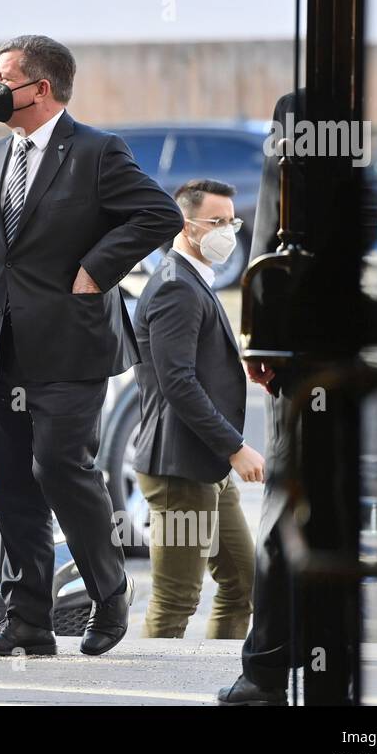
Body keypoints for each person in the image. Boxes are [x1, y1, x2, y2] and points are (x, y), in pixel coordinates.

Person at [0, 35, 183, 657]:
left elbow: (160, 215)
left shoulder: (98, 151)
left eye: (5, 77)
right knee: (11, 481)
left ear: (41, 89)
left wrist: (97, 268)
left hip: (71, 346)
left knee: (58, 465)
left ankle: (109, 593)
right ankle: (28, 617)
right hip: (1, 347)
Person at [132, 179, 262, 641]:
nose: (227, 231)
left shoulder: (192, 280)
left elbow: (196, 364)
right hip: (179, 470)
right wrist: (236, 448)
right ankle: (149, 694)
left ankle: (219, 676)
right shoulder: (176, 288)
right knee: (176, 600)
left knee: (243, 584)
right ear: (186, 226)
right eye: (217, 222)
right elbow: (178, 383)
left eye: (232, 221)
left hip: (204, 465)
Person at [217, 90, 303, 705]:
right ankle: (280, 665)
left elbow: (273, 230)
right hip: (325, 349)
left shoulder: (307, 110)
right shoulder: (306, 113)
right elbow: (272, 227)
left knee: (292, 503)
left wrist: (263, 341)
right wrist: (264, 341)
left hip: (316, 346)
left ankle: (272, 669)